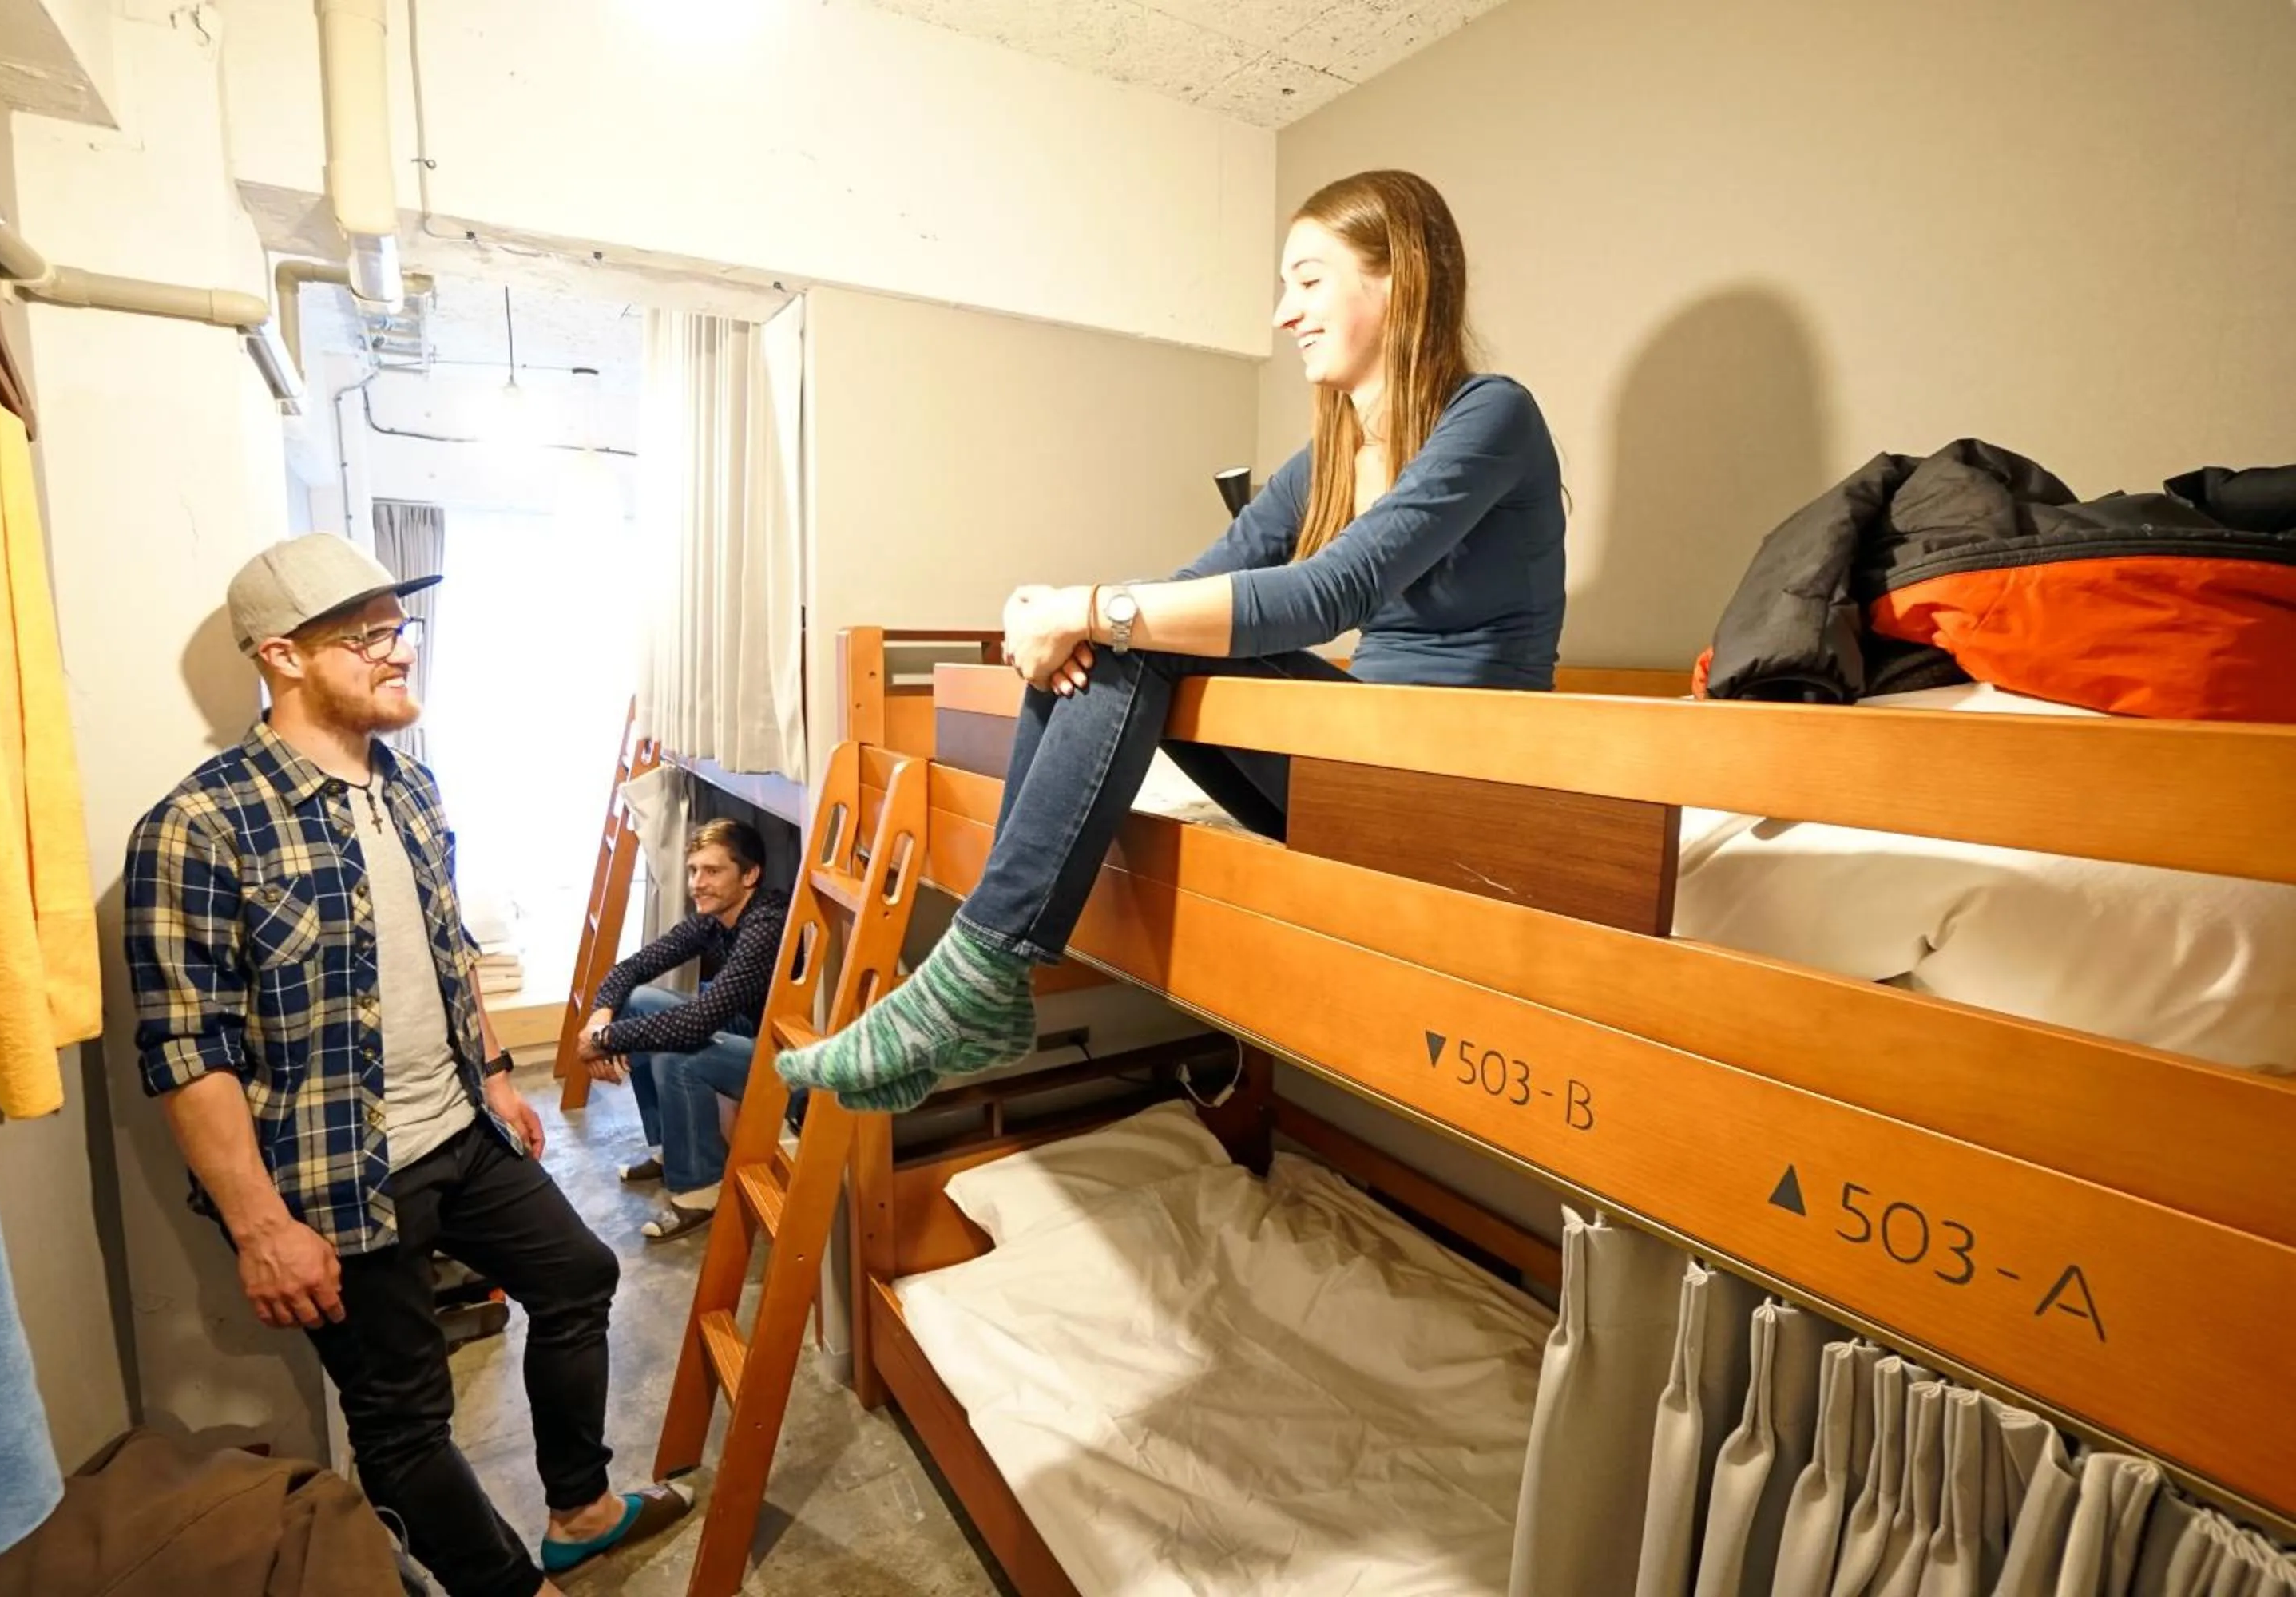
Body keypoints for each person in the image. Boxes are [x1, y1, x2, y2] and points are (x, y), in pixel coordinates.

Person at [776, 168, 1567, 1112]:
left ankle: (976, 976)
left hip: (1452, 785)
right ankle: (983, 974)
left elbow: (1332, 591)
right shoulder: (1330, 455)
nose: (1286, 313)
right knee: (1116, 637)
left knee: (1123, 630)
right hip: (1357, 766)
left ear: (1401, 279)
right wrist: (1064, 612)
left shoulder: (1492, 416)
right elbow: (1199, 580)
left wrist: (1093, 607)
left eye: (1309, 280)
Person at [124, 534, 689, 1597]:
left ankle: (580, 1505)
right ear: (281, 657)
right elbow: (185, 1048)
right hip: (335, 1181)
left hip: (460, 1135)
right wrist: (258, 1227)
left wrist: (498, 1078)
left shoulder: (413, 788)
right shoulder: (199, 827)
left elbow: (448, 949)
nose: (399, 653)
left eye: (399, 630)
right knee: (403, 1414)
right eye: (366, 635)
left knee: (579, 1275)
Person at [576, 818, 791, 1242]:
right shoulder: (714, 919)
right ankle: (670, 1149)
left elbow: (699, 1022)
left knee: (677, 1051)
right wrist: (601, 1018)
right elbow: (631, 968)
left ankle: (700, 1188)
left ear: (749, 875)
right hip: (748, 1031)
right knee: (634, 1002)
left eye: (712, 871)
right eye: (693, 871)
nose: (697, 883)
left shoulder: (767, 925)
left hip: (786, 1058)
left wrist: (604, 1042)